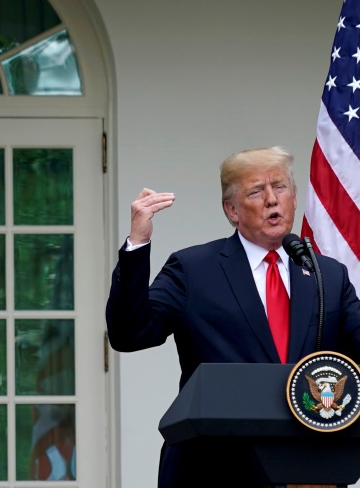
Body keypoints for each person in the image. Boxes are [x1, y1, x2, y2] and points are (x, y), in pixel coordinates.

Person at [105, 146, 360, 487]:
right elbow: (130, 334)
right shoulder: (193, 270)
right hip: (215, 468)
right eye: (256, 191)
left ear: (294, 198)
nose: (272, 199)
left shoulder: (326, 274)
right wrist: (137, 243)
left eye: (280, 187)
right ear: (232, 210)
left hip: (308, 469)